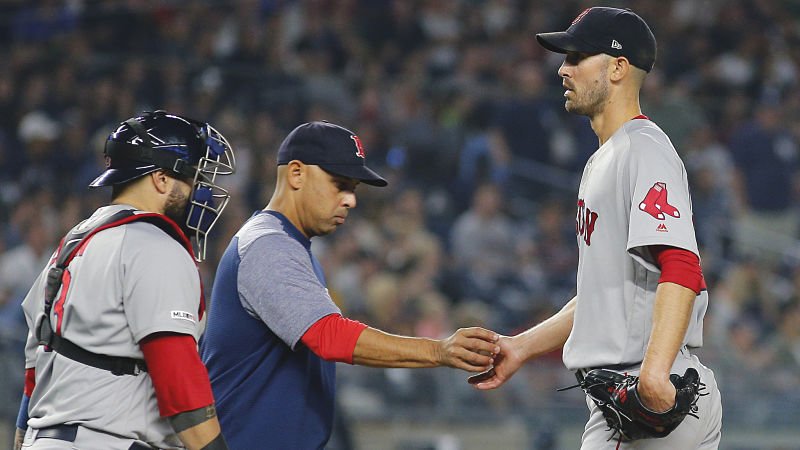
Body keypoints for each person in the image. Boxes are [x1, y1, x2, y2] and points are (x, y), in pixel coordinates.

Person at [470, 7, 723, 449]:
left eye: (576, 57)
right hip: (642, 387)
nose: (562, 68)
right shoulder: (605, 159)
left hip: (641, 392)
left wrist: (655, 372)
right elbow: (602, 292)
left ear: (618, 67)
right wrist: (523, 347)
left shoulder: (643, 151)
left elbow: (682, 267)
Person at [199, 121, 499, 449]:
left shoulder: (291, 245)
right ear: (296, 173)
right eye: (339, 184)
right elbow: (329, 336)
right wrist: (437, 350)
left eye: (353, 188)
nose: (350, 200)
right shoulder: (268, 245)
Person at [15, 111, 236, 450]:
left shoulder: (73, 243)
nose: (198, 192)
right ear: (161, 179)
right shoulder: (155, 246)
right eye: (192, 178)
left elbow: (33, 378)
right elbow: (178, 381)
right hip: (107, 440)